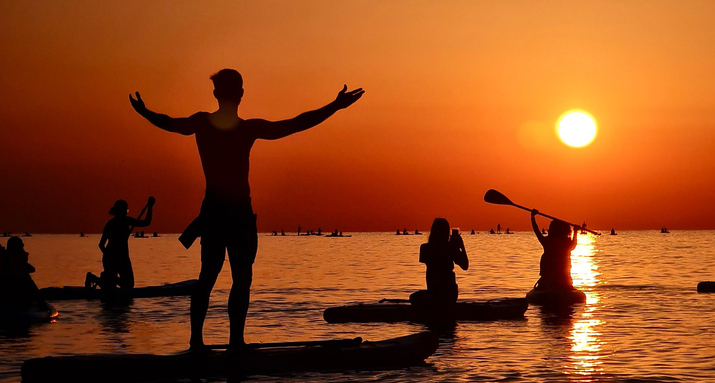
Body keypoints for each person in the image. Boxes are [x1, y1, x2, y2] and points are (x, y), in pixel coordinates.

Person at [130, 69, 363, 351]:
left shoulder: (206, 124)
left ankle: (199, 343)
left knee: (210, 276)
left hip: (218, 211)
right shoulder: (243, 128)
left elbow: (170, 123)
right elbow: (294, 124)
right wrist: (334, 106)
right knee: (239, 278)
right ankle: (232, 343)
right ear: (240, 94)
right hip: (234, 212)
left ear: (217, 94)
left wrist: (145, 113)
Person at [85, 197, 154, 290]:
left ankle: (104, 278)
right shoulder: (125, 220)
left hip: (117, 257)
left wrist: (108, 254)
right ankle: (98, 278)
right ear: (121, 211)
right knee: (124, 286)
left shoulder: (110, 223)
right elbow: (146, 223)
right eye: (126, 210)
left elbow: (101, 244)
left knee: (124, 285)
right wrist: (150, 207)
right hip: (116, 257)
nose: (126, 212)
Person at [409, 218, 469, 308]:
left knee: (413, 298)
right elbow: (465, 265)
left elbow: (465, 266)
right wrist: (460, 246)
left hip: (438, 294)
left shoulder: (426, 248)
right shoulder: (449, 248)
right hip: (447, 294)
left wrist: (457, 247)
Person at [530, 210, 578, 290]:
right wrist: (575, 231)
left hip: (550, 282)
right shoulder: (567, 245)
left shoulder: (547, 242)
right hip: (562, 282)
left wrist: (532, 217)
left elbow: (536, 230)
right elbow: (574, 244)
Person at [0, 237, 44, 308]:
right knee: (28, 281)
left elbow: (31, 269)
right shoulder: (10, 261)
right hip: (18, 296)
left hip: (11, 296)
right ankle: (42, 305)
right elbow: (31, 269)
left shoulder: (5, 259)